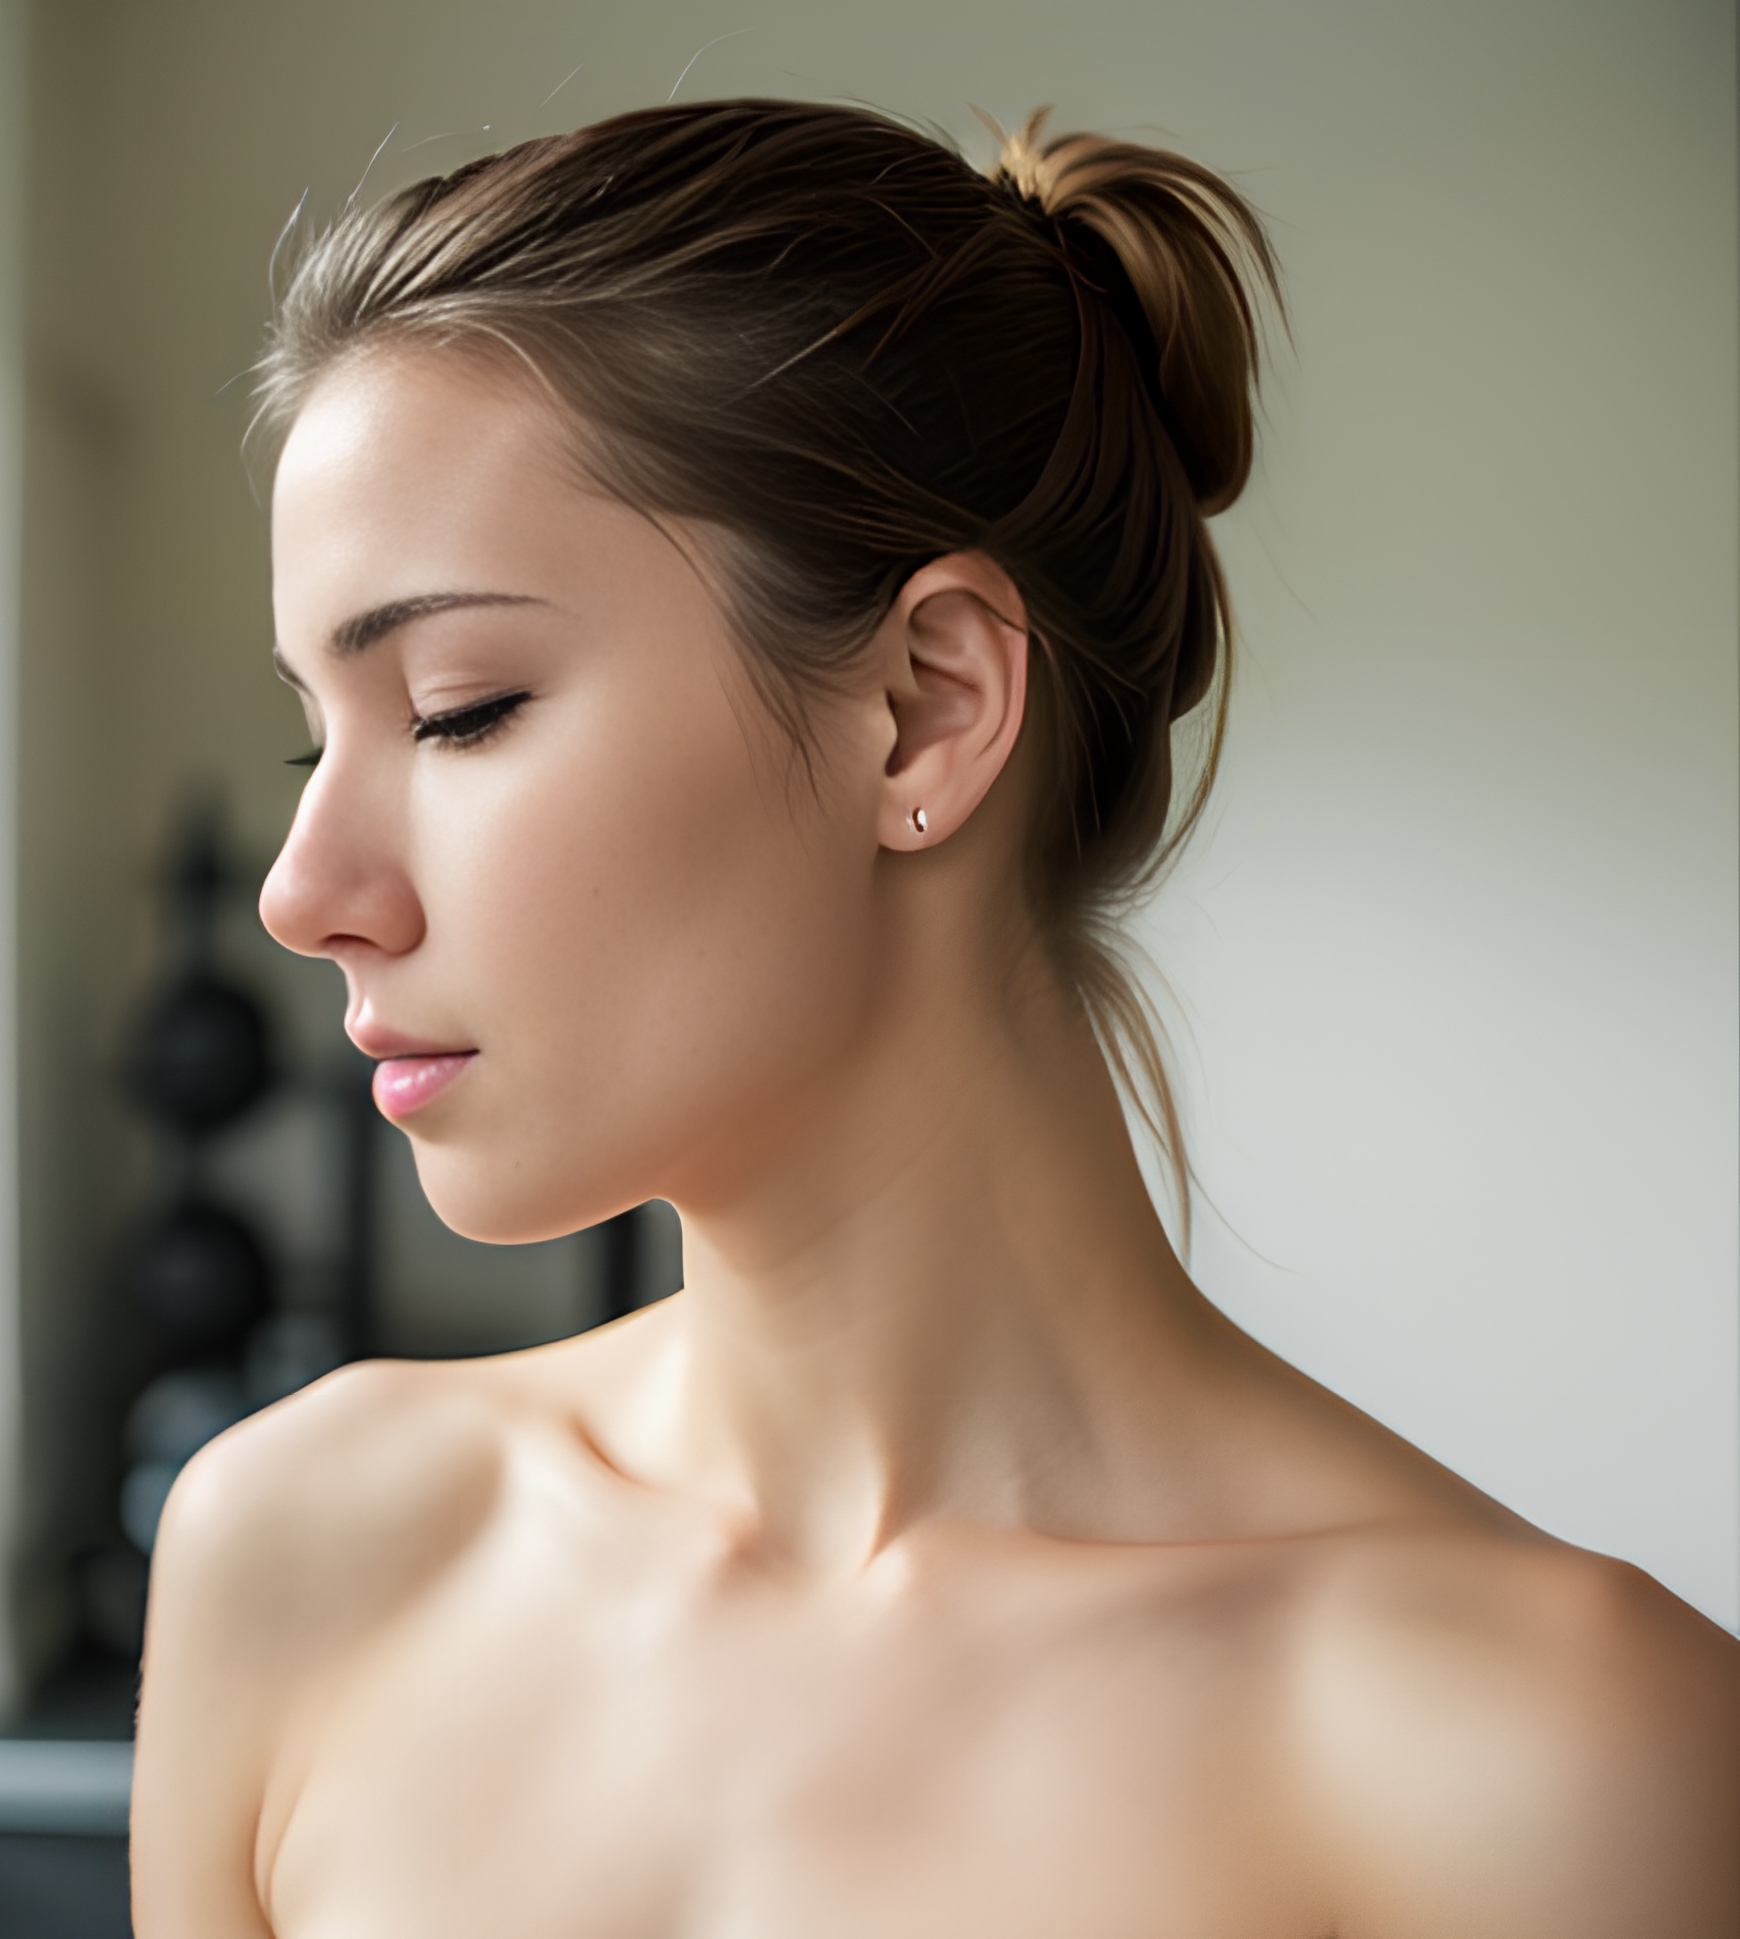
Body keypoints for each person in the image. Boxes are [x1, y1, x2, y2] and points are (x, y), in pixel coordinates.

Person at [130, 100, 1739, 1937]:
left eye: (458, 708)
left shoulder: (1559, 1765)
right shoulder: (298, 1557)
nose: (300, 890)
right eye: (310, 739)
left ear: (924, 707)